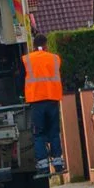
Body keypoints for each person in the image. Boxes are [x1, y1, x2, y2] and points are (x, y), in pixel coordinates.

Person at [21, 34, 64, 173]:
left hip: (36, 101)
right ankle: (58, 164)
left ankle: (43, 166)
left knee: (38, 134)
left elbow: (21, 78)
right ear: (46, 45)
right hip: (52, 100)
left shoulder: (26, 60)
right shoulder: (55, 58)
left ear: (33, 46)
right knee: (54, 132)